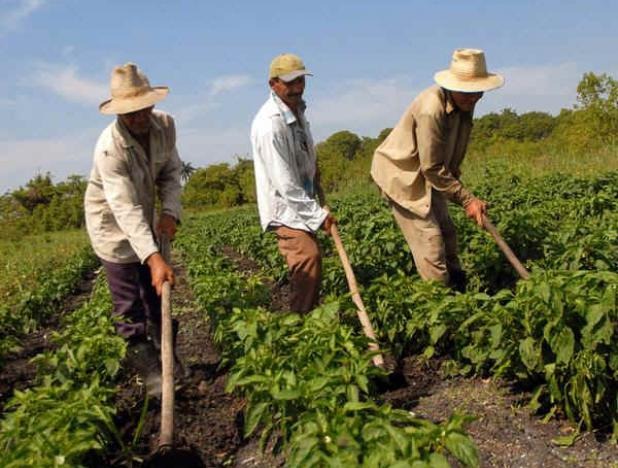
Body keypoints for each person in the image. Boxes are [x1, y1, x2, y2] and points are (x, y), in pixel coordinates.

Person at [84, 63, 182, 395]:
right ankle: (154, 380)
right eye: (130, 113)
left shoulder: (165, 125)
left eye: (142, 109)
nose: (139, 118)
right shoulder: (109, 148)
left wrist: (170, 212)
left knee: (156, 295)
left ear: (151, 104)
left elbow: (170, 171)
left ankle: (169, 359)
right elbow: (123, 208)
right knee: (129, 306)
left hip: (144, 217)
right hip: (112, 226)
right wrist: (154, 258)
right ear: (119, 114)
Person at [371, 49, 504, 291]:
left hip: (429, 174)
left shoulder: (466, 102)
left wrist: (460, 191)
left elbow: (447, 155)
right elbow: (431, 167)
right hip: (402, 176)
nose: (473, 98)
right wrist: (467, 200)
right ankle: (439, 304)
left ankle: (458, 290)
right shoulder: (431, 108)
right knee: (431, 242)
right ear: (453, 86)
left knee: (448, 233)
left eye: (477, 92)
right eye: (467, 92)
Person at [251, 53, 336, 313]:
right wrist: (318, 216)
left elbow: (304, 154)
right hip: (286, 209)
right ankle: (301, 327)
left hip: (304, 200)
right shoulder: (269, 125)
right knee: (308, 258)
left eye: (300, 80)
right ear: (273, 84)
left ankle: (308, 314)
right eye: (290, 83)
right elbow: (285, 183)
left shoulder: (297, 110)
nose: (297, 88)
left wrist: (316, 182)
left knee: (310, 264)